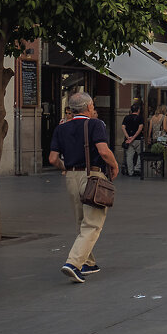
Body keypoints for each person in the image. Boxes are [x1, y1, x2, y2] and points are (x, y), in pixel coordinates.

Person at [48, 92, 119, 283]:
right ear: (88, 107)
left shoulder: (60, 128)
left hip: (71, 176)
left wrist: (66, 168)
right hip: (92, 176)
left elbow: (53, 159)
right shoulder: (95, 124)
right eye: (93, 106)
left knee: (81, 222)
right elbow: (103, 151)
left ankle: (88, 262)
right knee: (93, 223)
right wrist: (114, 165)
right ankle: (73, 263)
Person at [121, 102, 144, 178]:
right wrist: (133, 137)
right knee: (141, 154)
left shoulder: (126, 117)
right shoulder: (140, 118)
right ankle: (137, 168)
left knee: (129, 156)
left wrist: (128, 137)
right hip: (138, 139)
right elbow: (140, 129)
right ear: (138, 110)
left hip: (128, 140)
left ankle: (130, 172)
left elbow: (123, 127)